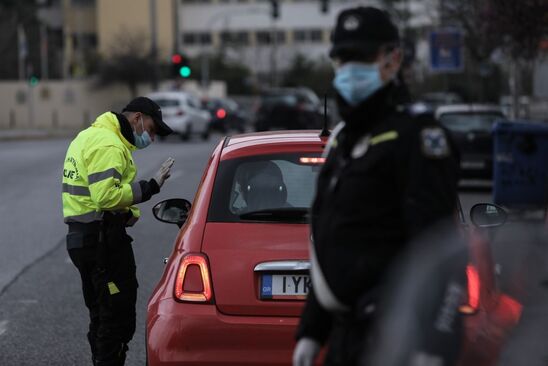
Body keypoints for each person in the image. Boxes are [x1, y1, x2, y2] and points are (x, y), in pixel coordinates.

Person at [292, 6, 460, 366]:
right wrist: (311, 331)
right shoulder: (344, 142)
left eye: (362, 56)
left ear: (392, 59)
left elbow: (439, 253)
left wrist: (433, 346)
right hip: (346, 337)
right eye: (343, 57)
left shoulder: (416, 138)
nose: (350, 67)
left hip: (397, 336)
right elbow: (334, 246)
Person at [62, 96, 174, 366]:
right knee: (116, 319)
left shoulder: (90, 136)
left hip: (86, 237)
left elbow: (98, 194)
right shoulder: (109, 144)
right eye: (151, 129)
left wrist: (128, 214)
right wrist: (151, 186)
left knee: (102, 315)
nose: (152, 137)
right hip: (102, 242)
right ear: (136, 118)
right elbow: (105, 197)